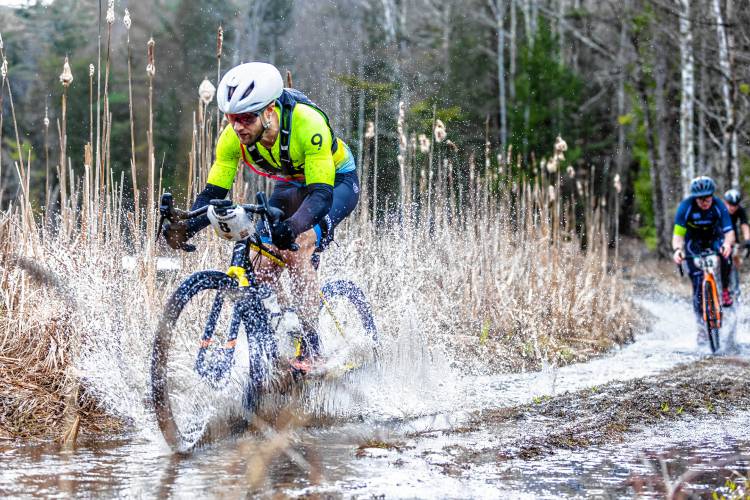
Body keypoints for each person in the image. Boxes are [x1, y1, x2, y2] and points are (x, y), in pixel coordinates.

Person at [164, 62, 360, 373]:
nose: (238, 127)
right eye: (232, 119)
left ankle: (312, 345)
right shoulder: (231, 138)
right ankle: (282, 333)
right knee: (261, 265)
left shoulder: (307, 124)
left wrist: (294, 227)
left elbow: (320, 196)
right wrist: (187, 226)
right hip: (291, 183)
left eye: (246, 118)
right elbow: (214, 194)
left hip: (334, 182)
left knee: (300, 245)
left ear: (268, 112)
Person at [672, 176, 736, 334]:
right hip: (693, 242)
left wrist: (727, 244)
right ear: (695, 198)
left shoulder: (719, 205)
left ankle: (725, 289)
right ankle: (701, 326)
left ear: (712, 195)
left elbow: (729, 232)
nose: (704, 202)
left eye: (707, 198)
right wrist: (678, 250)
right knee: (697, 282)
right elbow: (678, 235)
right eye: (700, 200)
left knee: (726, 255)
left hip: (715, 238)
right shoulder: (685, 207)